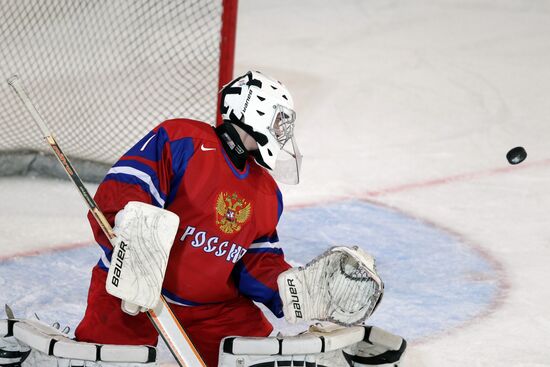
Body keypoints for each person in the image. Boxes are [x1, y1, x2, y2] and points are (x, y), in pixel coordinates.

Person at [73, 70, 302, 366]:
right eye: (278, 120)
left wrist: (289, 289)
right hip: (131, 288)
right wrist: (132, 251)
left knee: (256, 360)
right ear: (254, 109)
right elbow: (126, 189)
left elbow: (256, 261)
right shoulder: (184, 140)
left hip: (212, 308)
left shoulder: (267, 191)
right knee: (107, 360)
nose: (282, 131)